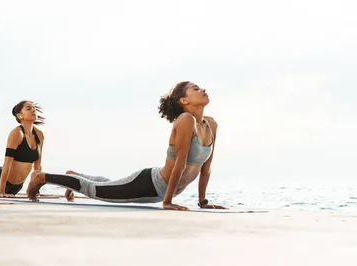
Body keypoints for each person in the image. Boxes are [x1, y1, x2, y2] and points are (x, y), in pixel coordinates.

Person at [26, 81, 226, 211]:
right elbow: (180, 164)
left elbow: (206, 168)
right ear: (184, 100)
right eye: (196, 89)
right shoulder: (185, 120)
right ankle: (42, 177)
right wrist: (167, 202)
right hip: (152, 184)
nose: (203, 90)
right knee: (96, 191)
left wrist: (204, 202)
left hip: (164, 189)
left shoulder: (211, 124)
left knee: (110, 184)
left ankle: (73, 175)